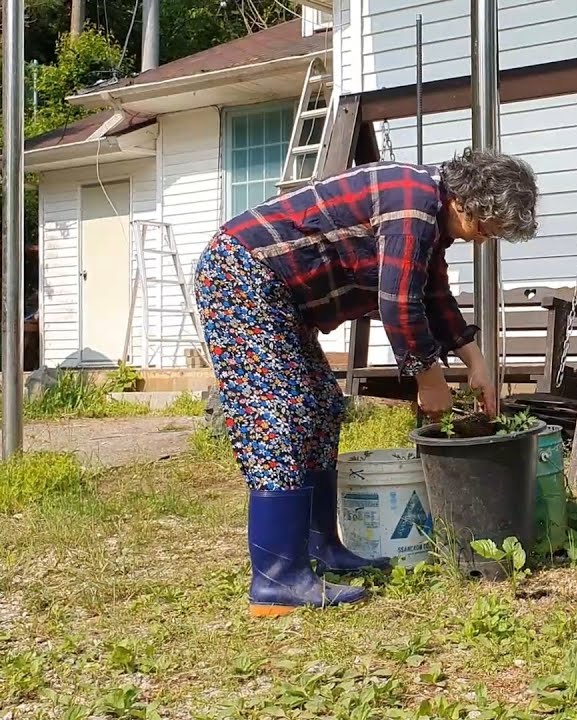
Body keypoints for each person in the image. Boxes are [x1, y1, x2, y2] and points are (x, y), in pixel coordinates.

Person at [194, 150, 539, 617]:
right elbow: (398, 302)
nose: (483, 241)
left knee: (320, 406)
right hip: (242, 274)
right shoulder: (413, 205)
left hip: (275, 292)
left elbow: (431, 292)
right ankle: (276, 581)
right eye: (487, 229)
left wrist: (474, 358)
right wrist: (429, 378)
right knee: (279, 417)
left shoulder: (428, 213)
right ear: (467, 202)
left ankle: (320, 549)